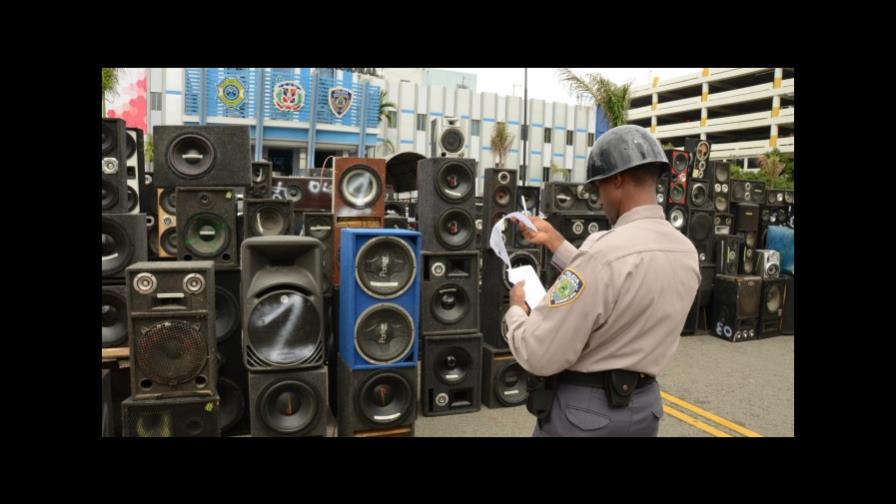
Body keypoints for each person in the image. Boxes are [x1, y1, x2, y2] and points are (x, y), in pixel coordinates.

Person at [504, 125, 700, 437]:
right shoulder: (685, 251)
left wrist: (516, 312)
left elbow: (540, 353)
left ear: (617, 180)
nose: (599, 200)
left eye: (599, 190)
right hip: (645, 410)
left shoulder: (603, 251)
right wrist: (555, 241)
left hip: (586, 415)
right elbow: (621, 285)